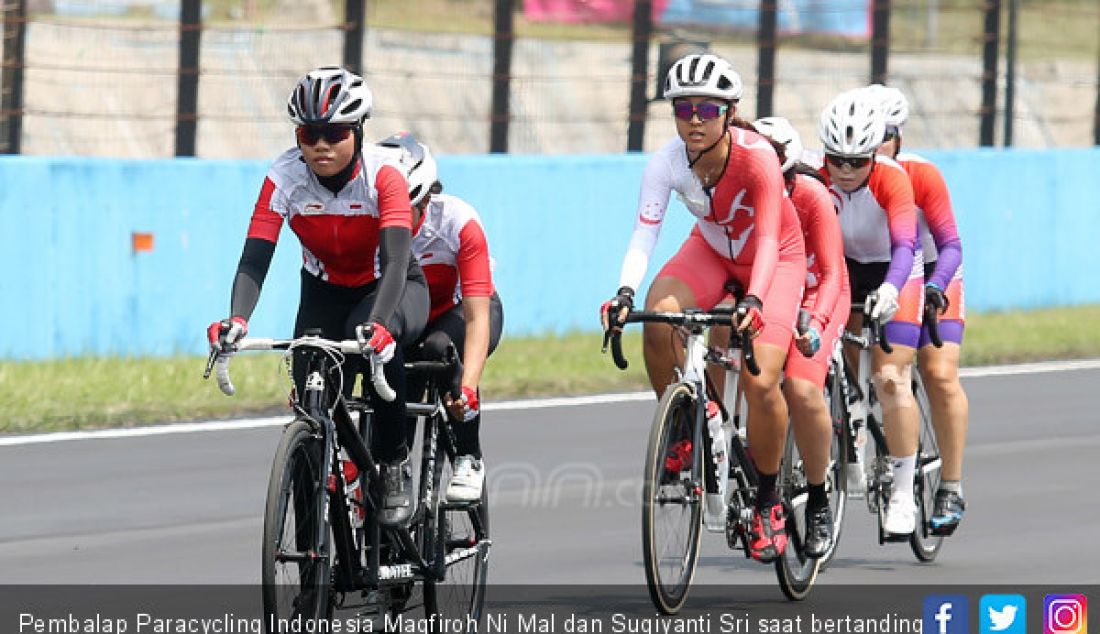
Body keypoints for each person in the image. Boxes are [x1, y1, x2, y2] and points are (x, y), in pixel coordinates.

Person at [600, 53, 806, 562]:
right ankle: (685, 424)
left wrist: (755, 298)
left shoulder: (757, 158)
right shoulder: (666, 162)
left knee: (761, 382)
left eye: (707, 110)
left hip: (774, 260)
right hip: (711, 251)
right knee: (658, 312)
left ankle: (765, 499)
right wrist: (623, 292)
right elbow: (644, 233)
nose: (694, 118)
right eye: (684, 108)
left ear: (729, 112)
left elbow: (765, 235)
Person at [206, 66, 429, 528]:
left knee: (372, 347)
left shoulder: (385, 176)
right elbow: (255, 257)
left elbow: (393, 259)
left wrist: (382, 324)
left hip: (388, 285)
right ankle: (313, 556)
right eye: (309, 134)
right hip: (323, 291)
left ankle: (392, 465)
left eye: (334, 133)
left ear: (359, 131)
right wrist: (237, 319)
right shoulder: (283, 176)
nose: (321, 146)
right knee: (312, 394)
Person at [817, 88, 923, 538]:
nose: (843, 171)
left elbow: (906, 245)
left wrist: (892, 288)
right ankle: (847, 420)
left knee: (889, 375)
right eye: (835, 159)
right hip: (844, 268)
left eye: (856, 162)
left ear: (872, 158)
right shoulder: (813, 175)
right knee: (822, 357)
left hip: (894, 269)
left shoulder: (892, 179)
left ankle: (902, 490)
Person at [378, 131, 504, 504]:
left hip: (461, 314)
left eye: (408, 209)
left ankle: (468, 455)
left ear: (428, 197)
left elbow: (477, 316)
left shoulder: (458, 221)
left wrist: (467, 386)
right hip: (408, 320)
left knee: (437, 349)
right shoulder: (374, 221)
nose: (397, 221)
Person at [865, 84, 968, 535]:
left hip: (930, 276)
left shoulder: (920, 174)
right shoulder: (851, 171)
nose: (874, 146)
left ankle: (951, 482)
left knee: (939, 373)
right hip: (878, 277)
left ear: (899, 136)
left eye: (883, 135)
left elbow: (950, 245)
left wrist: (936, 286)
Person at [752, 116, 851, 557]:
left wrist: (814, 321)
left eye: (784, 178)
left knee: (800, 387)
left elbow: (831, 273)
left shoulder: (811, 196)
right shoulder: (740, 191)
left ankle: (817, 497)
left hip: (817, 292)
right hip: (769, 292)